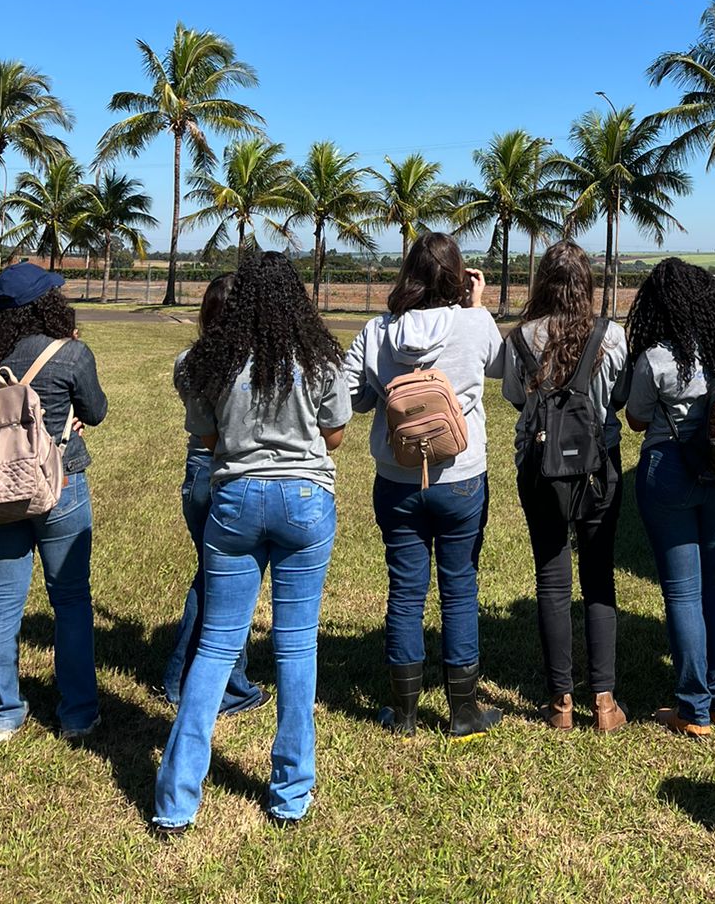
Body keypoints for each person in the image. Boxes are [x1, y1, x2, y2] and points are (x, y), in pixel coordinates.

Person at [153, 251, 350, 831]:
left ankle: (176, 800)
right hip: (305, 502)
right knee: (296, 646)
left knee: (215, 645)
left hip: (234, 501)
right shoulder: (319, 360)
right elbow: (334, 436)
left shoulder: (203, 363)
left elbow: (207, 435)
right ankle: (290, 793)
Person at [345, 232, 504, 738]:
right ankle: (462, 711)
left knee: (405, 591)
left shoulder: (377, 331)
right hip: (460, 476)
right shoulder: (475, 323)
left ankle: (405, 712)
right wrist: (477, 307)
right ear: (458, 276)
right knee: (459, 588)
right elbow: (500, 368)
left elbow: (352, 398)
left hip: (397, 478)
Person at [496, 240, 629, 732]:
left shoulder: (521, 337)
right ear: (587, 286)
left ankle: (560, 704)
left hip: (539, 467)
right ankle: (605, 701)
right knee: (598, 577)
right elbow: (618, 398)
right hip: (600, 468)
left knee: (551, 578)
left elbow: (514, 397)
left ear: (542, 284)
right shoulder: (611, 336)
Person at [625, 259, 715, 738]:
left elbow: (636, 419)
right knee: (711, 584)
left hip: (670, 468)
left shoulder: (657, 357)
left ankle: (692, 707)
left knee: (682, 590)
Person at [0, 263, 108, 743]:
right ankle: (78, 712)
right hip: (61, 483)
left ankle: (4, 711)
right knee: (70, 599)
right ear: (48, 304)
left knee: (3, 605)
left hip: (2, 489)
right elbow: (97, 411)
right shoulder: (71, 353)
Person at [161, 273, 266, 714]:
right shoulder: (254, 363)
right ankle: (220, 682)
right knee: (227, 579)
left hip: (198, 469)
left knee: (212, 573)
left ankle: (191, 677)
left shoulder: (189, 360)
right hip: (229, 469)